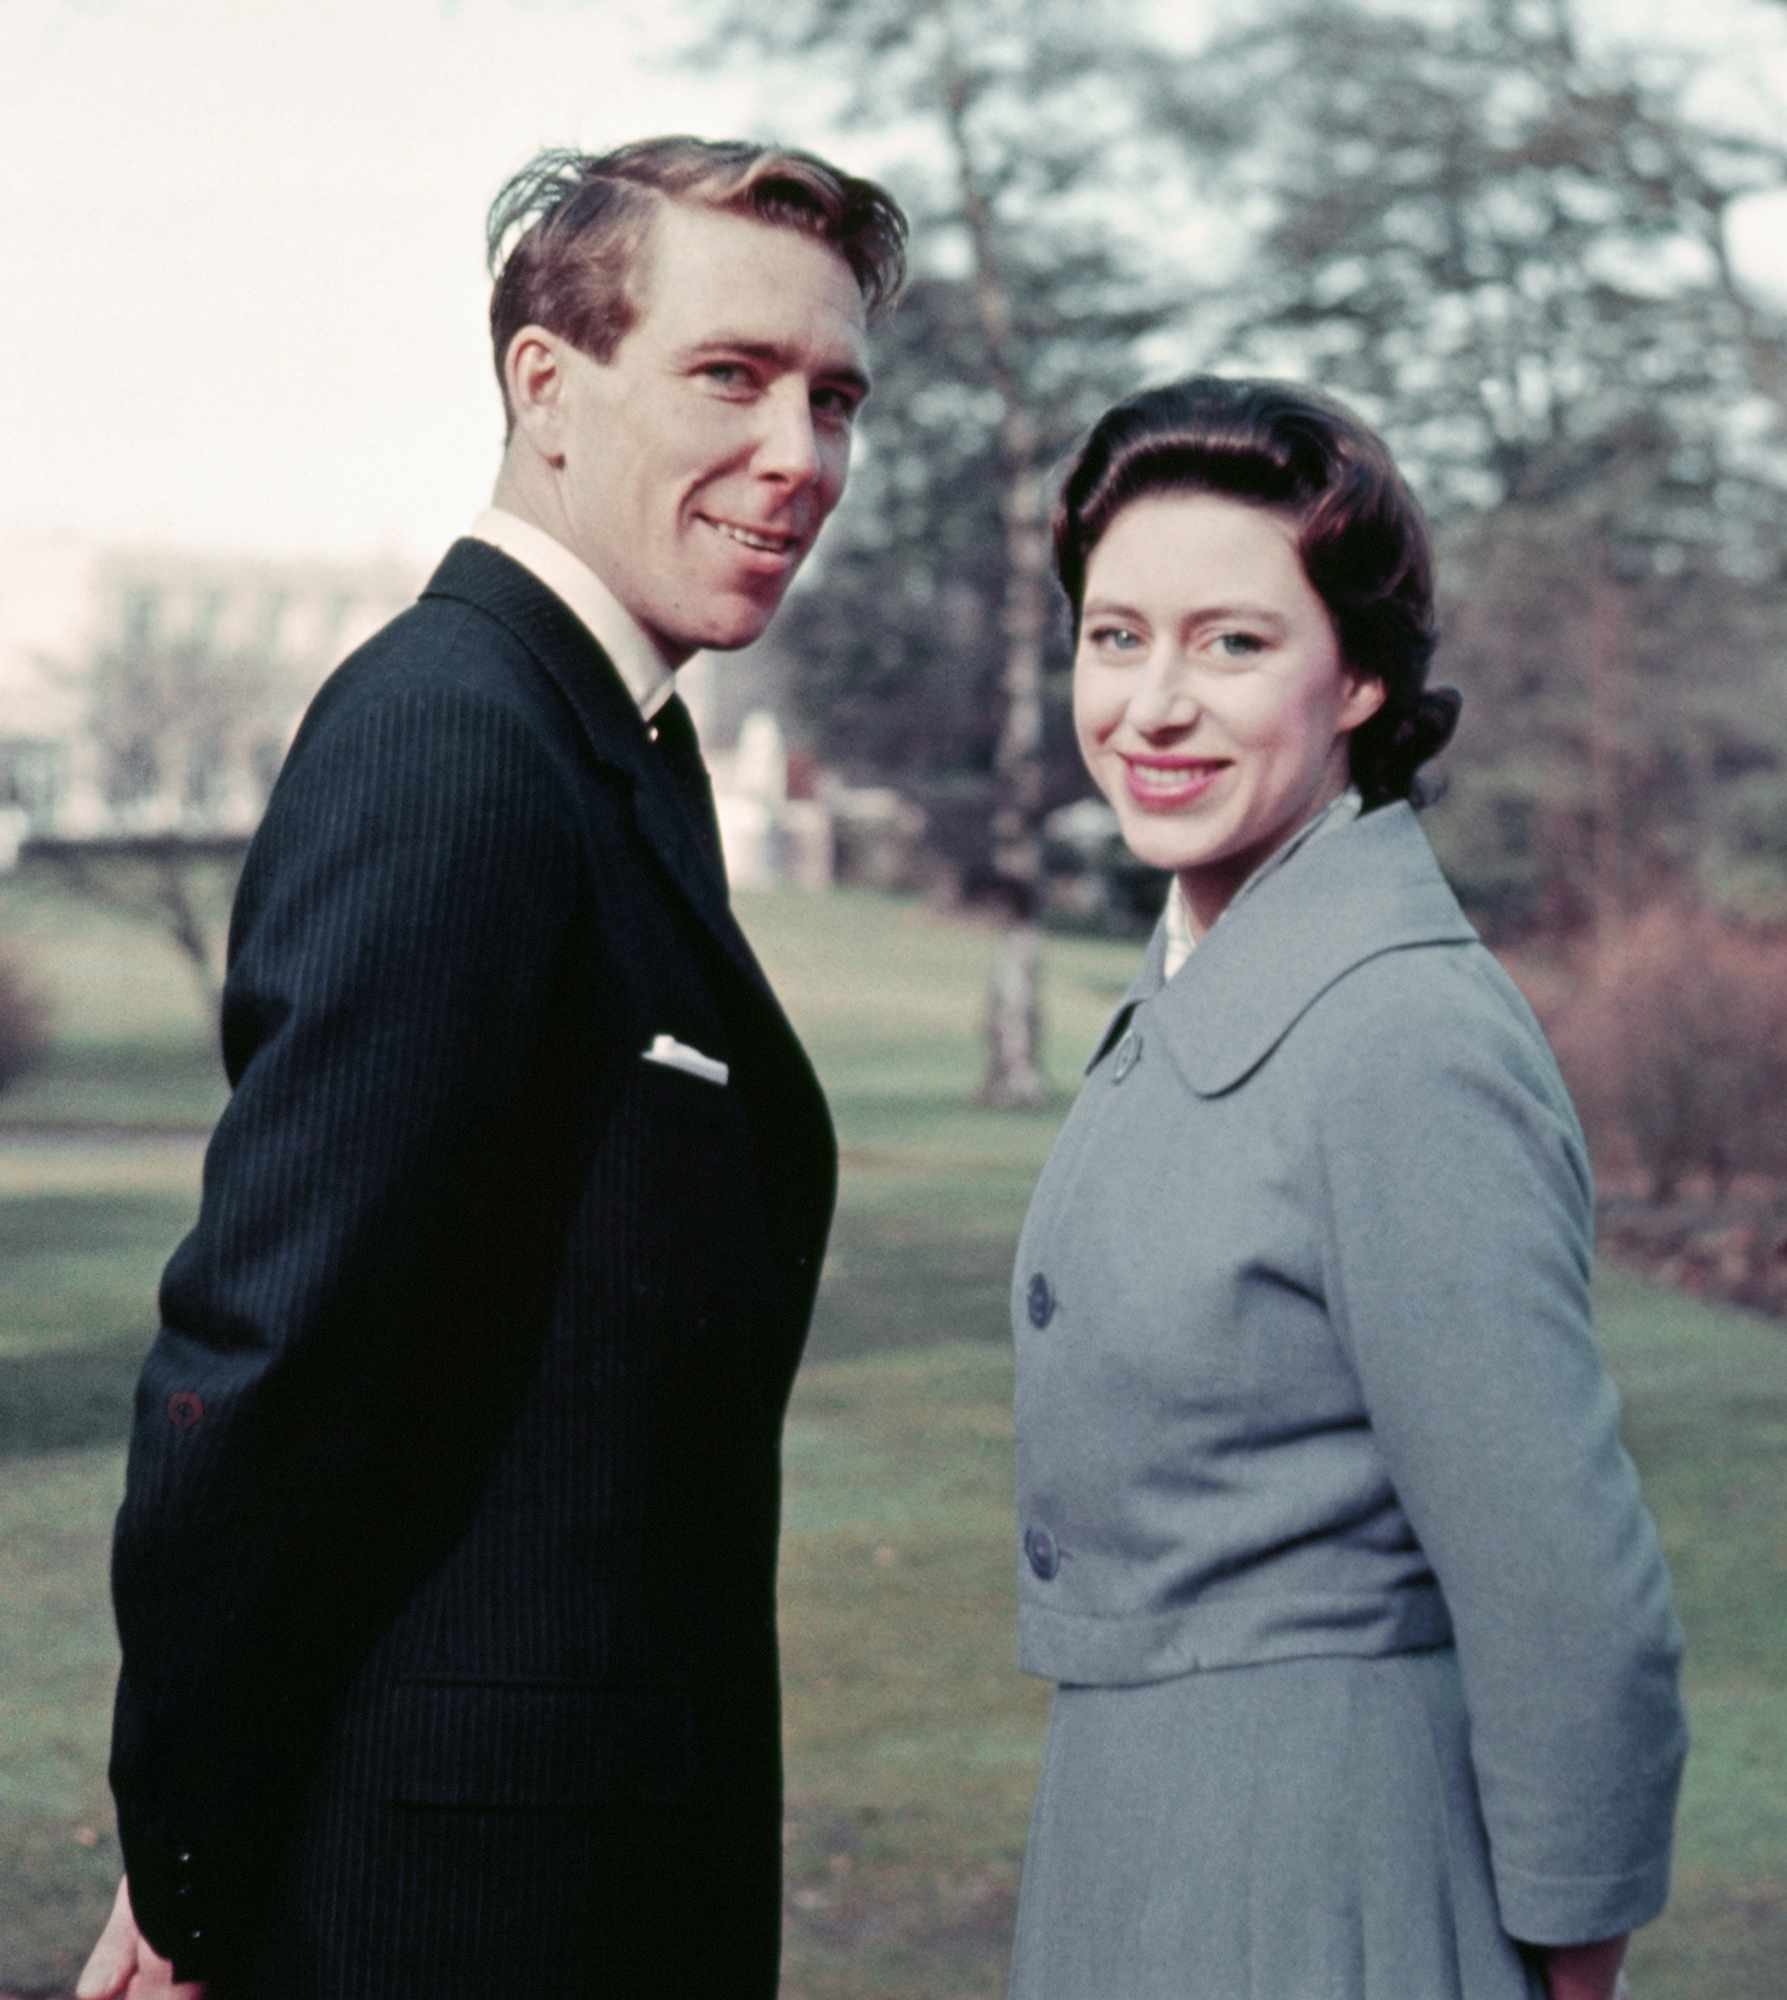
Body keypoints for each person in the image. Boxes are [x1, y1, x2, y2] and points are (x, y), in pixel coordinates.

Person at [76, 135, 907, 2000]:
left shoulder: (599, 739)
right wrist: (194, 1872)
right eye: (733, 375)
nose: (803, 456)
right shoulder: (454, 743)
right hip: (442, 1913)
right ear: (546, 384)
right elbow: (266, 1362)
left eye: (835, 397)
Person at [1007, 376, 1685, 2000]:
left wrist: (1563, 1971)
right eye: (1118, 638)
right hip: (1138, 1859)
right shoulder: (1204, 978)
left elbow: (1572, 1603)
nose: (1155, 705)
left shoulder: (1398, 1036)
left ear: (1361, 677)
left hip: (1328, 1886)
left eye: (1233, 644)